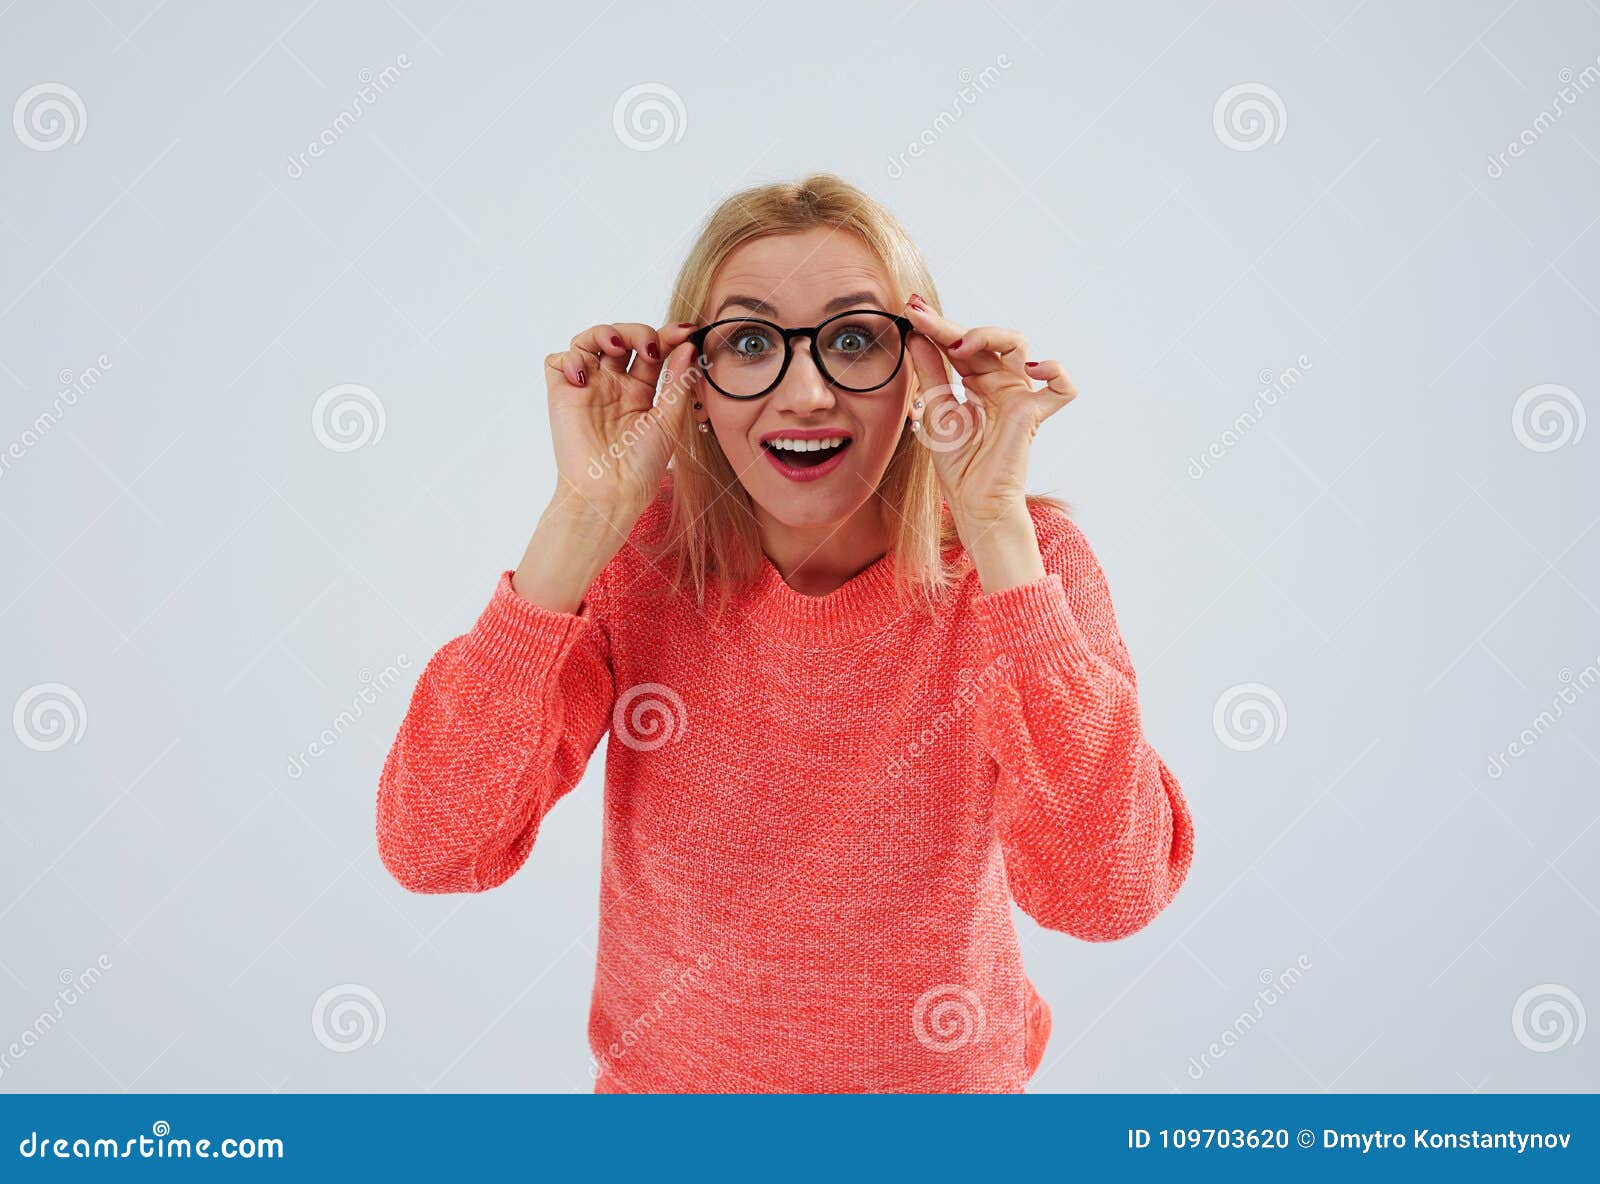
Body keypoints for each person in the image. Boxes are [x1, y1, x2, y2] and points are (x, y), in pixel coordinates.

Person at [375, 173, 1195, 1093]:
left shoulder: (1026, 566)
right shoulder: (633, 560)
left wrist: (998, 526)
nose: (805, 393)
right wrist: (580, 520)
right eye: (751, 343)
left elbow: (1106, 895)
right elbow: (437, 846)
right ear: (692, 388)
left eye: (853, 340)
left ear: (927, 370)